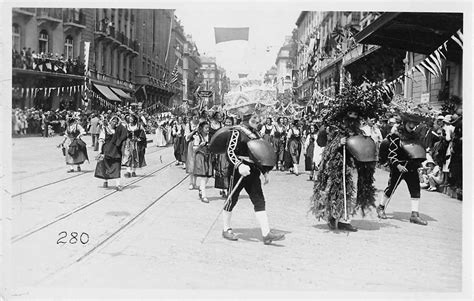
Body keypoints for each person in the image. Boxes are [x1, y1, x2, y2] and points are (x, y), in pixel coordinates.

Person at [221, 111, 285, 245]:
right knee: (232, 199)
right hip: (237, 171)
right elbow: (229, 152)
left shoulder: (256, 134)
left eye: (258, 117)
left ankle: (266, 233)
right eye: (254, 117)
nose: (258, 120)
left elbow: (258, 154)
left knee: (259, 200)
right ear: (246, 118)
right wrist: (239, 165)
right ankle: (226, 228)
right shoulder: (237, 131)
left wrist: (264, 171)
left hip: (253, 172)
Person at [376, 112, 428, 225]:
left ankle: (414, 215)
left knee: (415, 190)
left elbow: (418, 151)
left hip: (411, 167)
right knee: (391, 188)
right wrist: (398, 166)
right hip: (398, 167)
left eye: (414, 123)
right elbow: (391, 154)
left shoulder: (416, 137)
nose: (412, 125)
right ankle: (381, 207)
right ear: (405, 123)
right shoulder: (396, 136)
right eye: (410, 123)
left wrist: (420, 164)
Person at [95, 115, 128, 191]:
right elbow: (101, 140)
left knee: (116, 166)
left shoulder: (119, 130)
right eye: (113, 121)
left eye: (116, 122)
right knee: (105, 166)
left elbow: (124, 134)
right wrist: (100, 150)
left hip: (116, 150)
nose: (114, 123)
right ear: (110, 121)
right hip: (106, 149)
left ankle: (118, 184)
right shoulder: (105, 129)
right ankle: (105, 181)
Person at [193, 121, 213, 203]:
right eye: (206, 128)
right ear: (201, 128)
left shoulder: (210, 136)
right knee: (204, 176)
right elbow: (194, 149)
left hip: (208, 156)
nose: (208, 129)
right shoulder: (198, 137)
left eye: (208, 128)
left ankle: (201, 189)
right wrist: (200, 145)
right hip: (200, 157)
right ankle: (204, 195)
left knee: (208, 175)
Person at [214, 116, 233, 198]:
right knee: (222, 171)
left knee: (230, 171)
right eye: (227, 122)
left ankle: (229, 189)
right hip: (222, 153)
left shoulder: (234, 131)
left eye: (230, 122)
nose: (228, 124)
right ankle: (223, 189)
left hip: (231, 153)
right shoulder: (221, 131)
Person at [185, 113, 200, 189]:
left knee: (197, 164)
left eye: (197, 117)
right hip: (191, 144)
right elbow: (187, 137)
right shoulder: (188, 125)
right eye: (195, 117)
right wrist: (194, 131)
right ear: (192, 118)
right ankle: (190, 182)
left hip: (199, 145)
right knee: (191, 163)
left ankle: (195, 183)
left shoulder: (200, 125)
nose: (196, 119)